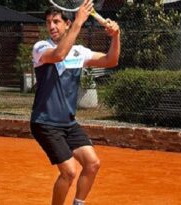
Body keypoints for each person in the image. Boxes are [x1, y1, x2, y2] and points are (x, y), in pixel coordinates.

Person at [30, 0, 120, 205]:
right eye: (48, 22)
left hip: (68, 123)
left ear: (66, 24)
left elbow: (111, 61)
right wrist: (80, 21)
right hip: (45, 122)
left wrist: (116, 36)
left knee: (92, 163)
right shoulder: (41, 48)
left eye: (56, 21)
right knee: (69, 172)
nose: (51, 26)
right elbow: (59, 54)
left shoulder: (79, 52)